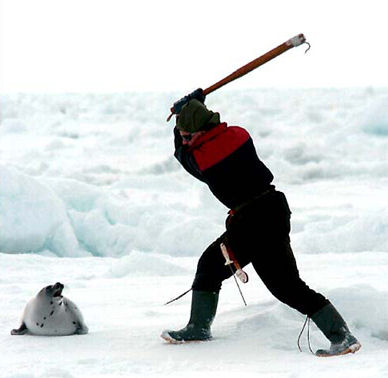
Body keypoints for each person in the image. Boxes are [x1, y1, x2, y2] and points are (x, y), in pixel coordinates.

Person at [161, 92, 361, 357]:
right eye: (183, 135)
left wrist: (179, 119)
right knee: (225, 269)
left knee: (276, 284)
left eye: (188, 135)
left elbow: (182, 155)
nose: (185, 139)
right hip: (272, 208)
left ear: (201, 130)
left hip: (253, 221)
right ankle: (342, 336)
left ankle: (342, 337)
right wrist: (195, 108)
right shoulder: (239, 135)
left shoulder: (206, 158)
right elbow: (199, 137)